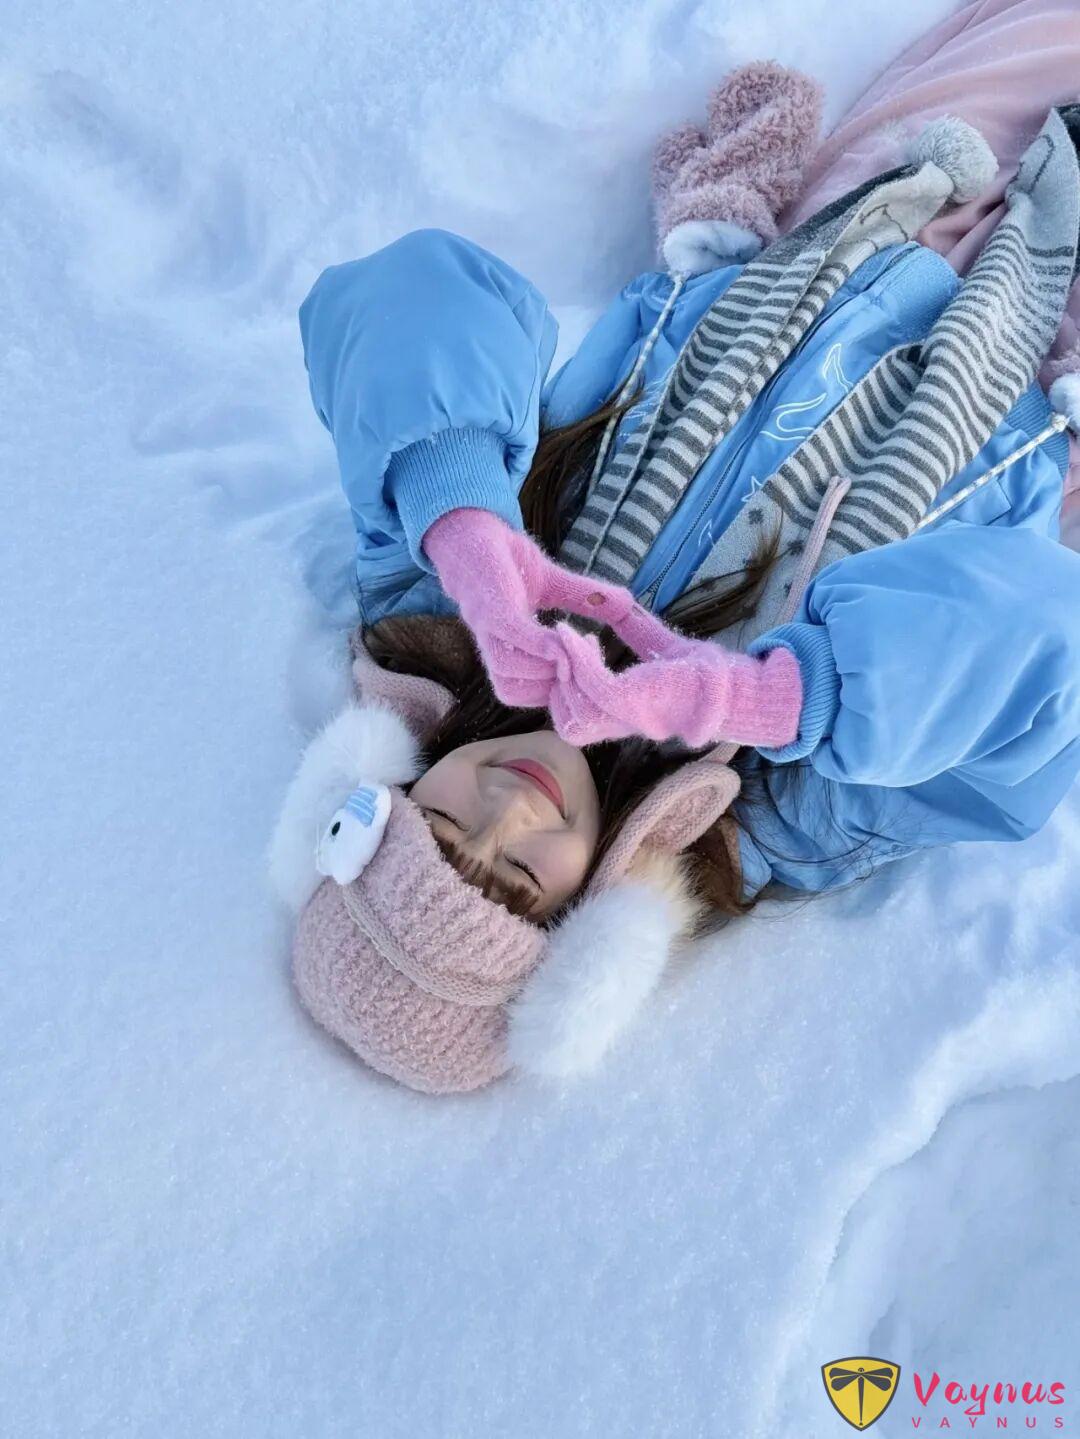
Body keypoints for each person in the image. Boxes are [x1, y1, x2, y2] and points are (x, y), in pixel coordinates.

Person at [271, 65, 1080, 1094]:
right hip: (1030, 362)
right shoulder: (775, 816)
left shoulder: (434, 616)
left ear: (388, 783)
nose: (507, 810)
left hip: (845, 217)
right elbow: (1046, 649)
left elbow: (407, 295)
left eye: (441, 825)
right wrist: (779, 697)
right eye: (517, 877)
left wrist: (462, 516)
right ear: (582, 932)